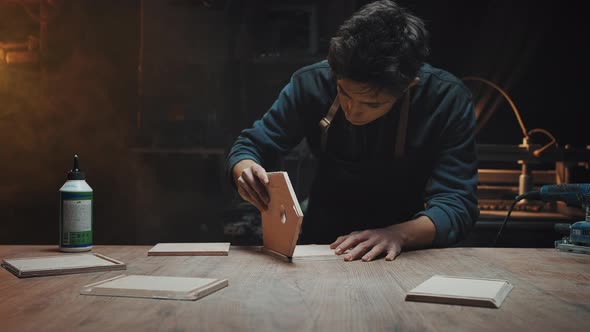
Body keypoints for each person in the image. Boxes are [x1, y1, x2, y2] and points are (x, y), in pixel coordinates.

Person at [226, 0, 479, 262]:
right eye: (343, 92)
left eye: (372, 102)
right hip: (323, 247)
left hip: (407, 250)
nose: (352, 110)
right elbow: (251, 146)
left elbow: (457, 204)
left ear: (408, 86)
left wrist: (398, 235)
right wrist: (245, 169)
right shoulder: (311, 82)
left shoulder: (445, 98)